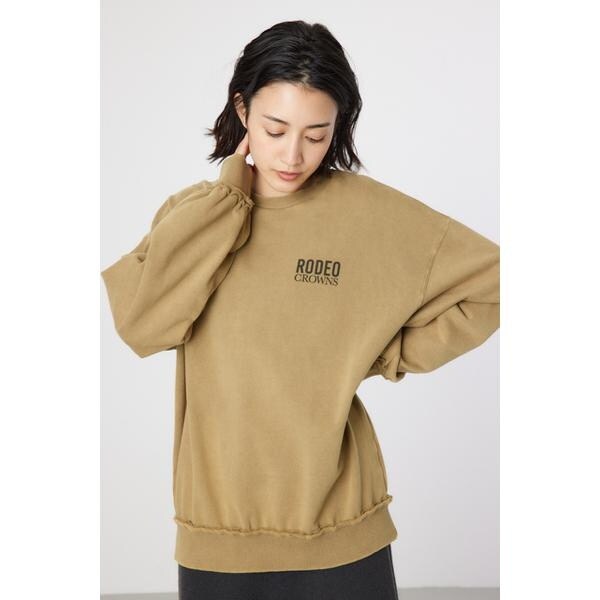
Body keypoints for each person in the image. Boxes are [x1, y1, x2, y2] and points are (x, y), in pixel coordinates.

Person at [101, 20, 499, 600]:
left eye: (316, 134)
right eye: (275, 129)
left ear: (340, 124)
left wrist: (383, 352)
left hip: (341, 531)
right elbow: (142, 325)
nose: (293, 155)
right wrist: (231, 196)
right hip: (217, 536)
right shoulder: (194, 215)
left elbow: (496, 282)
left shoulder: (369, 214)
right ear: (242, 109)